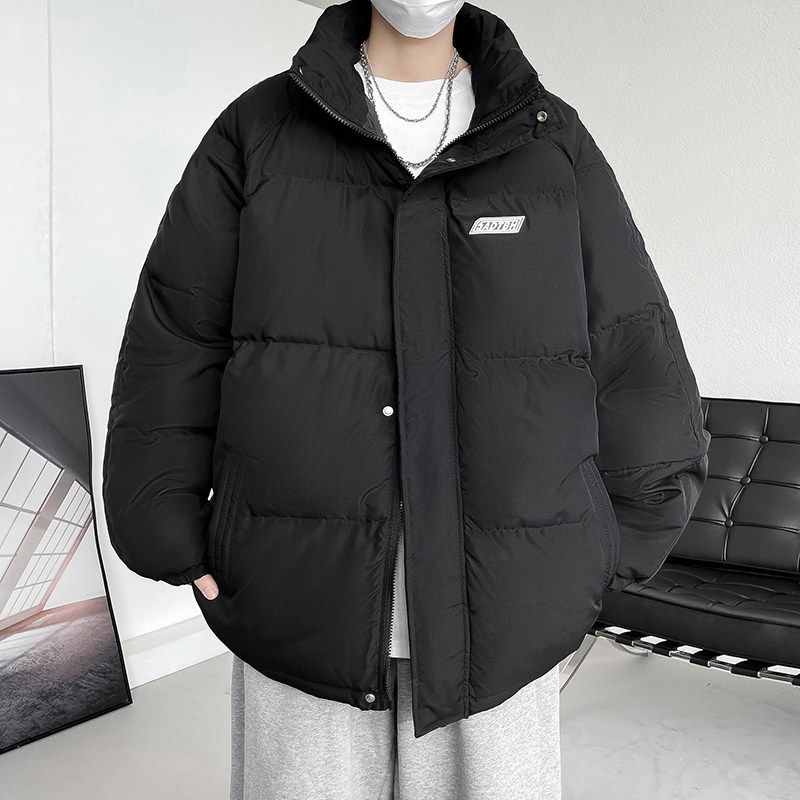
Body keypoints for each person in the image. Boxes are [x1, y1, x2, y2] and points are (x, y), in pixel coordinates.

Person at [101, 1, 710, 798]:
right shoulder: (258, 131)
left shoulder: (548, 140)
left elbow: (631, 340)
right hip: (294, 591)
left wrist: (615, 540)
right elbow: (177, 332)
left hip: (508, 605)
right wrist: (162, 521)